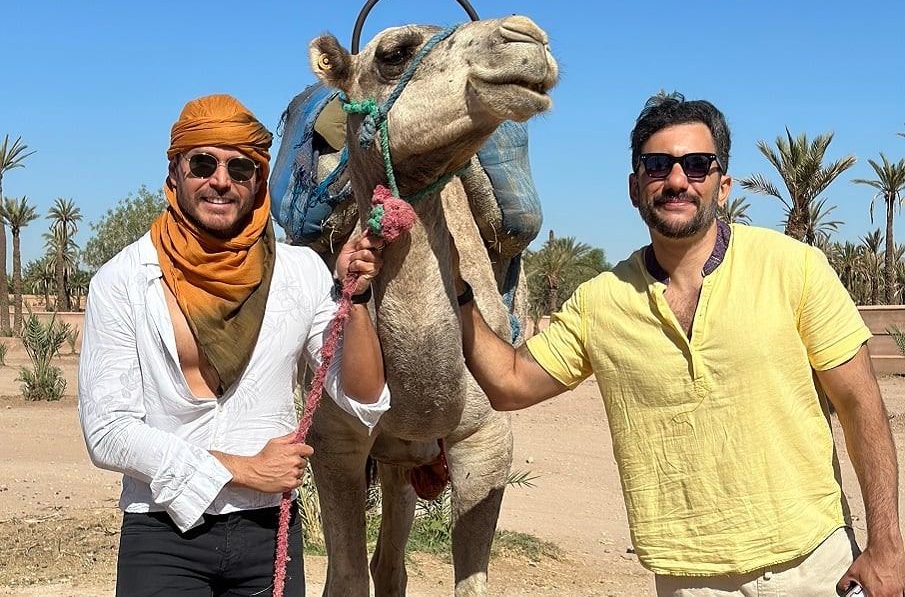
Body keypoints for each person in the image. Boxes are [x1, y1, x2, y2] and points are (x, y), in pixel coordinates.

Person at [455, 92, 905, 597]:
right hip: (688, 581)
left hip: (815, 566)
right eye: (657, 165)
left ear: (724, 185)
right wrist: (457, 289)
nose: (675, 180)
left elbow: (861, 405)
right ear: (634, 187)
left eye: (696, 165)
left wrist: (887, 546)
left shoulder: (794, 268)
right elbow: (510, 384)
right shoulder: (601, 302)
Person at [78, 94, 389, 597]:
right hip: (162, 531)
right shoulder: (123, 280)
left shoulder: (300, 272)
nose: (220, 180)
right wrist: (244, 469)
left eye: (240, 168)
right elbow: (108, 432)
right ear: (175, 172)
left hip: (269, 532)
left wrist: (356, 296)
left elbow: (363, 396)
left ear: (259, 180)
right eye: (203, 163)